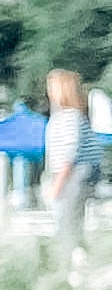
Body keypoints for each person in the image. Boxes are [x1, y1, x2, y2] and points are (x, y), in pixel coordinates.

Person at [44, 65, 100, 247]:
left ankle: (70, 262)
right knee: (70, 223)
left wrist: (57, 183)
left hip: (72, 176)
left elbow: (70, 153)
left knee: (67, 224)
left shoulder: (70, 117)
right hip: (70, 175)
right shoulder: (70, 117)